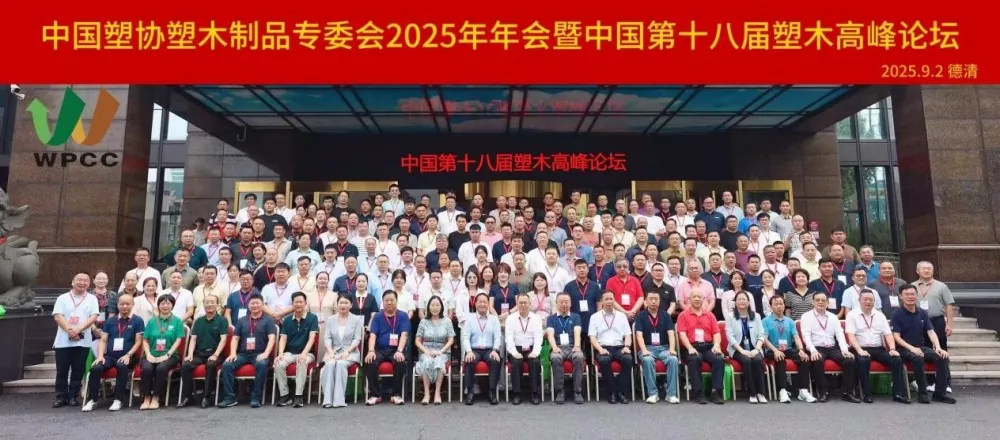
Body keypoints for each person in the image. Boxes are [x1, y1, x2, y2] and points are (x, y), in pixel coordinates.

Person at [891, 284, 957, 404]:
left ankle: (940, 394)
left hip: (921, 347)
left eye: (912, 294)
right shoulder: (897, 314)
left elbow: (931, 332)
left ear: (916, 295)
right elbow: (896, 336)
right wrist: (912, 348)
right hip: (903, 348)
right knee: (917, 357)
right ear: (901, 296)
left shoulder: (922, 313)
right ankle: (922, 393)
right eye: (907, 294)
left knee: (942, 357)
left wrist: (938, 347)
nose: (910, 297)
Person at [82, 293, 144, 412]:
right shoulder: (110, 321)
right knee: (96, 367)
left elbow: (138, 341)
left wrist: (129, 355)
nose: (124, 306)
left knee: (122, 365)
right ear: (117, 305)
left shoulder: (138, 320)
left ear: (132, 305)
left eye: (127, 304)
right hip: (110, 356)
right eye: (122, 304)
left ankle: (118, 399)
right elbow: (103, 340)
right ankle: (93, 399)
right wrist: (100, 356)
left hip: (128, 356)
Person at [845, 289, 909, 404]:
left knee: (897, 359)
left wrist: (892, 349)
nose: (868, 302)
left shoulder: (880, 315)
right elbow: (851, 335)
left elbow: (888, 334)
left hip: (878, 348)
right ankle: (866, 394)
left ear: (874, 301)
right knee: (863, 360)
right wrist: (859, 350)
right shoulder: (852, 315)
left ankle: (898, 394)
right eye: (865, 299)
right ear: (859, 300)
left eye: (871, 299)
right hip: (860, 348)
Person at [218, 293, 277, 408]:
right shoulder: (242, 320)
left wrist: (266, 354)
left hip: (259, 353)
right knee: (227, 365)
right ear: (248, 305)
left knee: (262, 365)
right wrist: (233, 353)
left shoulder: (268, 320)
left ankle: (256, 397)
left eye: (257, 303)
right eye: (252, 303)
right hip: (243, 354)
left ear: (262, 305)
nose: (255, 305)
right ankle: (230, 398)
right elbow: (235, 338)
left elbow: (272, 338)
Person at [800, 292, 859, 403]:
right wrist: (812, 351)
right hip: (817, 347)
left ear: (827, 303)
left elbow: (840, 334)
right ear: (813, 302)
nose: (820, 302)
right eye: (817, 300)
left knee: (849, 360)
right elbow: (806, 336)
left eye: (823, 300)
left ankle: (847, 392)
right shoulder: (806, 316)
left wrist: (844, 350)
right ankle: (823, 392)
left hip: (832, 347)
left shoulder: (833, 317)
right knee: (817, 360)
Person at [52, 273, 100, 408]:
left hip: (83, 341)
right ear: (72, 282)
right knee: (62, 370)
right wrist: (70, 330)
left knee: (78, 370)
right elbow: (58, 316)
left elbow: (93, 317)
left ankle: (73, 396)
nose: (82, 283)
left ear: (89, 284)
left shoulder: (92, 299)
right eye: (79, 280)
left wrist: (78, 329)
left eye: (85, 281)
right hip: (63, 341)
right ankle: (61, 396)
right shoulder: (62, 298)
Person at [761, 295, 816, 403]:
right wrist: (775, 351)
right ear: (771, 306)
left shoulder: (789, 321)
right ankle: (782, 390)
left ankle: (803, 390)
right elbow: (764, 339)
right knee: (780, 358)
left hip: (788, 349)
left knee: (804, 358)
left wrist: (801, 349)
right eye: (776, 304)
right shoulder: (765, 321)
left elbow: (796, 337)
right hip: (772, 350)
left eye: (781, 304)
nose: (779, 306)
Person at [177, 294, 228, 409]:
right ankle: (188, 397)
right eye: (207, 302)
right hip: (200, 353)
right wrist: (190, 354)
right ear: (203, 304)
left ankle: (207, 397)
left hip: (215, 353)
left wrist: (216, 355)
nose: (209, 304)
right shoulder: (198, 321)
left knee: (210, 365)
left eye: (212, 302)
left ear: (217, 305)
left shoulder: (222, 320)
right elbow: (193, 339)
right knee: (186, 365)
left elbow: (223, 339)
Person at [676, 289, 725, 404]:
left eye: (699, 297)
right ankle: (698, 392)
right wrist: (689, 348)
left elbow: (716, 333)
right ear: (689, 299)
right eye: (694, 297)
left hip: (708, 346)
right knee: (695, 359)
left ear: (703, 299)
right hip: (690, 347)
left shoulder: (710, 315)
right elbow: (682, 334)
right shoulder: (683, 315)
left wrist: (716, 345)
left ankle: (716, 392)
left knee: (718, 359)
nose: (697, 299)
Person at [364, 290, 411, 405]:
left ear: (396, 301)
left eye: (392, 300)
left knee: (400, 361)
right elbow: (372, 336)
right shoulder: (377, 316)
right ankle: (375, 395)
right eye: (386, 300)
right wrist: (371, 350)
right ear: (383, 302)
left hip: (396, 349)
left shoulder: (403, 316)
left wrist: (400, 350)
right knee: (370, 361)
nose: (389, 302)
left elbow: (404, 335)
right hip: (379, 349)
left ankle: (396, 394)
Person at [139, 294, 185, 410]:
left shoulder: (177, 321)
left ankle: (156, 397)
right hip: (151, 354)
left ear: (172, 305)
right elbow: (145, 340)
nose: (165, 306)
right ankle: (146, 398)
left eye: (168, 303)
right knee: (147, 368)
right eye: (162, 303)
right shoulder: (152, 321)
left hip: (170, 355)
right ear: (158, 305)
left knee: (161, 368)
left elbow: (178, 340)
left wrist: (167, 355)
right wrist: (148, 354)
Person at [274, 292, 320, 408]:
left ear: (305, 303)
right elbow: (283, 338)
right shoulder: (287, 320)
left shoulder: (312, 318)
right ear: (292, 304)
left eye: (301, 302)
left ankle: (298, 395)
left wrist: (304, 353)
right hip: (290, 353)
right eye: (296, 302)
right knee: (278, 363)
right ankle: (285, 395)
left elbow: (312, 338)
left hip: (307, 353)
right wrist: (280, 353)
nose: (299, 304)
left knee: (301, 361)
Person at [634, 290, 680, 404]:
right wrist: (644, 350)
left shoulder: (666, 315)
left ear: (660, 301)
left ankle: (671, 394)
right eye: (651, 299)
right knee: (647, 360)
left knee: (673, 359)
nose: (654, 301)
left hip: (664, 348)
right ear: (645, 301)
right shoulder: (641, 316)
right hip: (648, 348)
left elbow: (671, 334)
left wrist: (672, 349)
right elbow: (639, 335)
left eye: (656, 299)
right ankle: (653, 394)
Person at [588, 290, 634, 404]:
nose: (609, 301)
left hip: (619, 347)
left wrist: (627, 346)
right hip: (603, 347)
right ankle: (612, 392)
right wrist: (600, 349)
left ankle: (621, 392)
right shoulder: (594, 317)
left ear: (614, 300)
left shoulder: (622, 316)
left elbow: (628, 335)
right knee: (604, 361)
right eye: (606, 299)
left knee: (628, 359)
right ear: (601, 301)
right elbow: (592, 337)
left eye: (611, 299)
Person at [320, 295, 364, 408]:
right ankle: (328, 399)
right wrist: (330, 352)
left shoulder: (356, 319)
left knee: (340, 364)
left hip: (350, 352)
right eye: (341, 303)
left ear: (351, 305)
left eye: (346, 303)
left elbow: (357, 338)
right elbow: (327, 337)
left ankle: (339, 400)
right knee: (330, 364)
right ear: (337, 304)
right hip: (333, 351)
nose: (343, 305)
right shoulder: (331, 319)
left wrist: (347, 351)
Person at [725, 291, 768, 403]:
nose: (742, 301)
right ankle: (752, 393)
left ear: (749, 302)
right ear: (735, 302)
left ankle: (761, 393)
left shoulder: (756, 316)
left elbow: (761, 334)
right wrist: (742, 351)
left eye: (744, 299)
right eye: (739, 299)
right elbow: (730, 336)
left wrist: (757, 349)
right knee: (747, 361)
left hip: (754, 347)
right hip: (737, 348)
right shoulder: (730, 316)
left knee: (758, 360)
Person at [462, 293, 503, 405]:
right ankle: (470, 392)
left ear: (488, 304)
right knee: (469, 360)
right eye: (480, 301)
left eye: (485, 302)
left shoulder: (494, 319)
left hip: (489, 349)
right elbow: (465, 337)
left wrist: (495, 350)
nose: (482, 304)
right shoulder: (469, 319)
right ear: (475, 304)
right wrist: (469, 351)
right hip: (474, 350)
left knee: (495, 360)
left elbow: (498, 337)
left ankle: (492, 392)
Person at [414, 296, 455, 405]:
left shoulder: (447, 321)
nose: (435, 307)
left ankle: (437, 393)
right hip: (426, 351)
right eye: (432, 305)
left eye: (437, 305)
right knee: (427, 361)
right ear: (428, 307)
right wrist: (426, 351)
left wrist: (441, 351)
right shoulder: (423, 322)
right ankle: (427, 393)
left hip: (442, 351)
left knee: (439, 361)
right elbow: (417, 341)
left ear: (441, 307)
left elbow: (451, 340)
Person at [546, 292, 586, 404]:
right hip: (558, 347)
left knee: (579, 357)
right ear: (556, 303)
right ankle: (560, 391)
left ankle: (577, 391)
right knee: (555, 358)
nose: (564, 304)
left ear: (570, 303)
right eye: (561, 302)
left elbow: (577, 332)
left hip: (573, 347)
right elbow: (550, 335)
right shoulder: (551, 318)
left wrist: (577, 346)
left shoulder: (576, 317)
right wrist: (554, 347)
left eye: (566, 302)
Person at [505, 293, 544, 405]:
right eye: (520, 303)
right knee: (516, 362)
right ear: (517, 304)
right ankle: (516, 394)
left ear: (530, 304)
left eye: (525, 302)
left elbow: (538, 337)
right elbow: (509, 338)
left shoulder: (536, 318)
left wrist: (535, 352)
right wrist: (514, 352)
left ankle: (535, 393)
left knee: (534, 362)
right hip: (516, 348)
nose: (523, 305)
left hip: (531, 348)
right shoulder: (510, 318)